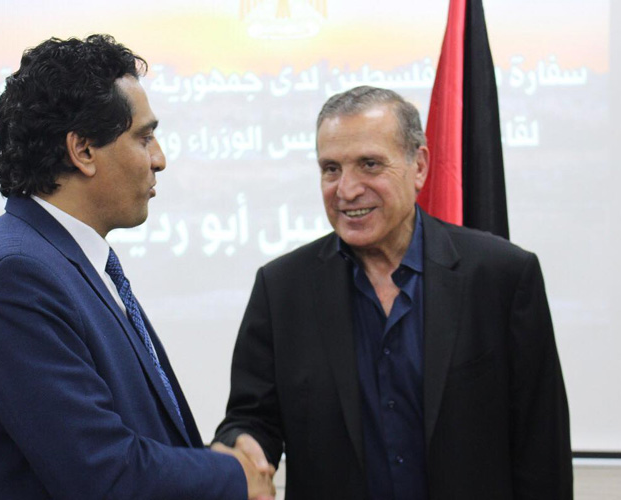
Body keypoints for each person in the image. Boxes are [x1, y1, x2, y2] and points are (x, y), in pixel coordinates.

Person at [0, 35, 274, 500]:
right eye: (144, 137)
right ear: (83, 150)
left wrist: (210, 461)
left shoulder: (61, 261)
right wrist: (233, 477)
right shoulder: (13, 278)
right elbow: (102, 474)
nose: (159, 159)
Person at [214, 86, 572, 499]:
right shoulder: (282, 289)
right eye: (331, 169)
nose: (346, 190)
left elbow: (541, 449)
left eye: (369, 164)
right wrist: (241, 445)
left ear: (418, 166)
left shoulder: (502, 277)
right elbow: (250, 419)